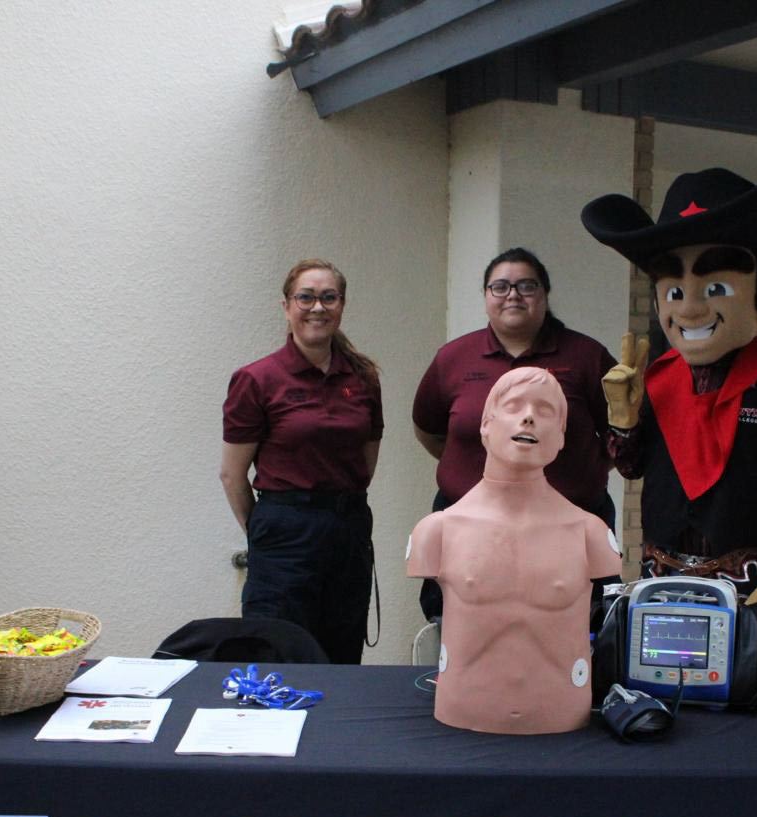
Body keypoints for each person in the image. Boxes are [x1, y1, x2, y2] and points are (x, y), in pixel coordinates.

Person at [580, 159, 757, 616]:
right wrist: (622, 419)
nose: (689, 309)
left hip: (750, 583)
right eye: (674, 293)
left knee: (745, 664)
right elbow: (631, 466)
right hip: (662, 574)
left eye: (715, 287)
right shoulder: (658, 375)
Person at [407, 367, 623, 734]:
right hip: (461, 717)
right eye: (513, 406)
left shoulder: (590, 534)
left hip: (563, 721)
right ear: (485, 425)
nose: (529, 417)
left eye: (545, 410)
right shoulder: (437, 531)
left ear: (561, 437)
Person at [411, 248, 616, 621]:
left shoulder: (587, 356)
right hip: (469, 535)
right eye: (500, 287)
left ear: (545, 294)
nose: (513, 295)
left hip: (568, 534)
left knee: (569, 637)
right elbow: (429, 429)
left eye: (526, 286)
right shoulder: (454, 358)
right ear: (486, 295)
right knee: (467, 637)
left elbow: (619, 435)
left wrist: (581, 470)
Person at [220, 258, 382, 664]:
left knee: (342, 657)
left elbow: (366, 461)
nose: (317, 307)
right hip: (284, 532)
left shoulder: (363, 378)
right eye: (305, 297)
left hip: (348, 530)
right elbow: (232, 475)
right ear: (287, 306)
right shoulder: (257, 379)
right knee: (280, 653)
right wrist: (268, 532)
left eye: (329, 297)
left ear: (341, 305)